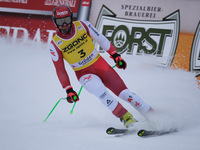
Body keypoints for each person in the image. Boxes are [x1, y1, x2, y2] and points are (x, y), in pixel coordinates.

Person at [49, 5, 152, 128]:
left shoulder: (83, 25)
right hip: (83, 74)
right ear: (55, 23)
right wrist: (68, 89)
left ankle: (152, 114)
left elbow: (101, 40)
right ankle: (126, 118)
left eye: (66, 19)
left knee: (124, 93)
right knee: (101, 93)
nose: (64, 24)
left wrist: (115, 55)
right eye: (60, 21)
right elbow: (60, 70)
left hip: (100, 65)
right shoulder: (55, 44)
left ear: (71, 18)